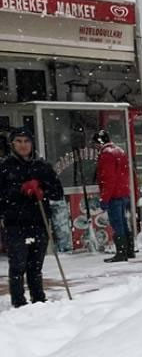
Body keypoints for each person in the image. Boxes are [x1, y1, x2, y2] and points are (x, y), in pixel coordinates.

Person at [0, 127, 65, 308]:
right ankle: (19, 302)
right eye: (18, 141)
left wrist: (42, 188)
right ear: (12, 144)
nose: (23, 145)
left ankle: (38, 299)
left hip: (39, 221)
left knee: (35, 267)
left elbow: (57, 192)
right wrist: (19, 191)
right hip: (15, 223)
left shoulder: (42, 167)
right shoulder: (5, 167)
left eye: (26, 141)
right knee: (18, 266)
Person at [94, 130, 134, 262]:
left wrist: (104, 198)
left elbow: (108, 179)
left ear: (100, 143)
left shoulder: (107, 154)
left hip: (114, 195)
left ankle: (121, 252)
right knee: (124, 221)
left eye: (96, 145)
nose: (95, 148)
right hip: (123, 193)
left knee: (117, 223)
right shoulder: (119, 151)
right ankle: (129, 250)